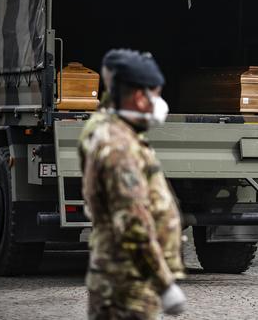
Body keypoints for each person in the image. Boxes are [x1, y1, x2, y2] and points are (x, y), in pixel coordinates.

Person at [79, 49, 187, 319]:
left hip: (121, 280)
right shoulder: (118, 147)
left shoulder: (109, 127)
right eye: (157, 94)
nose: (160, 102)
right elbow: (132, 222)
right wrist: (164, 284)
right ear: (140, 97)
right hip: (127, 285)